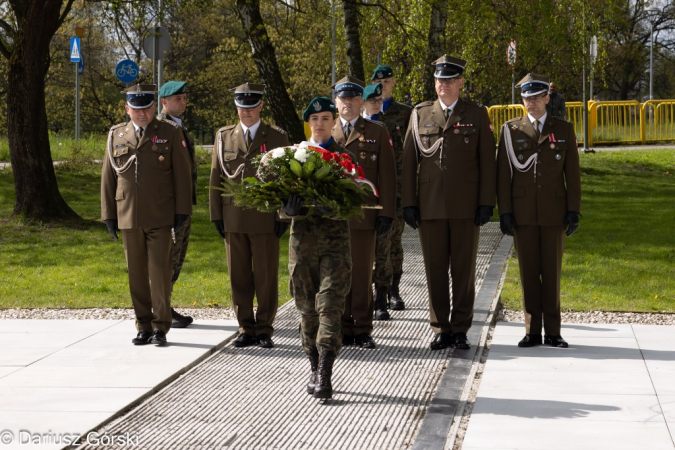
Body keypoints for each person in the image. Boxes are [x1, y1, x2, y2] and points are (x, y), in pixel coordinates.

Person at [401, 55, 496, 351]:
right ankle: (440, 327)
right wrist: (409, 203)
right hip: (430, 206)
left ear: (460, 83)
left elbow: (487, 163)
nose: (445, 85)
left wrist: (485, 202)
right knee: (435, 269)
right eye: (440, 80)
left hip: (466, 207)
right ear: (435, 83)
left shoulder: (476, 113)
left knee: (464, 271)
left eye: (451, 80)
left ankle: (460, 329)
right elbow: (408, 161)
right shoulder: (420, 114)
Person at [101, 84, 193, 346]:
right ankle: (143, 325)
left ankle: (161, 326)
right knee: (136, 274)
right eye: (136, 109)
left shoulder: (170, 132)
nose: (142, 113)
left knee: (160, 273)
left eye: (147, 108)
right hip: (128, 214)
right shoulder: (116, 134)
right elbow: (108, 177)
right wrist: (109, 214)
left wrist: (182, 211)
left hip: (161, 214)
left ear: (154, 107)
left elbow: (182, 175)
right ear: (127, 109)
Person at [497, 73, 581, 348]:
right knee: (529, 272)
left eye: (535, 97)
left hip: (554, 211)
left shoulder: (564, 129)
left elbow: (573, 175)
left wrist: (573, 210)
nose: (530, 103)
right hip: (522, 213)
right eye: (526, 98)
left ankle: (554, 332)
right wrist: (505, 211)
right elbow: (503, 174)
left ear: (547, 97)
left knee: (552, 271)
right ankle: (532, 331)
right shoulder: (511, 130)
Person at [208, 82, 290, 349]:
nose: (247, 112)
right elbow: (215, 178)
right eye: (242, 107)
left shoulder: (277, 137)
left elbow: (286, 179)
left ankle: (264, 327)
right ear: (236, 107)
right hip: (233, 217)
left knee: (266, 276)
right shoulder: (223, 137)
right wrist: (216, 215)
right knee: (238, 276)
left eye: (252, 106)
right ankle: (245, 326)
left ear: (261, 106)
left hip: (266, 217)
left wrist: (283, 217)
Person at [285, 96, 354, 400]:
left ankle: (325, 373)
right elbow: (276, 201)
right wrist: (287, 210)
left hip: (335, 243)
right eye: (314, 120)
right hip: (302, 244)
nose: (320, 124)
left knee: (329, 305)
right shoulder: (292, 157)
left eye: (326, 118)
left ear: (334, 121)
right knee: (306, 309)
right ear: (308, 123)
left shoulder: (345, 158)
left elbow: (357, 203)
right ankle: (313, 367)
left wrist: (336, 207)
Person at [331, 75, 396, 349]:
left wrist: (387, 214)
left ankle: (361, 327)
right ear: (336, 102)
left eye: (353, 98)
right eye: (343, 98)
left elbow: (388, 176)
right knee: (336, 273)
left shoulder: (377, 131)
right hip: (332, 218)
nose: (348, 102)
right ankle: (340, 326)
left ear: (361, 101)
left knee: (361, 273)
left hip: (364, 216)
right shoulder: (325, 130)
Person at [370, 65, 413, 312]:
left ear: (393, 82)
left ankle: (393, 290)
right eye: (379, 81)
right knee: (377, 243)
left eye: (387, 80)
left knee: (394, 241)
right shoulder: (368, 114)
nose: (383, 84)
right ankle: (378, 292)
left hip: (397, 187)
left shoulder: (406, 113)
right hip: (373, 188)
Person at [158, 80, 197, 329]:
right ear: (164, 102)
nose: (182, 102)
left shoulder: (179, 126)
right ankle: (160, 309)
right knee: (167, 259)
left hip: (184, 205)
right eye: (177, 99)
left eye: (183, 98)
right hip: (170, 206)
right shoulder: (162, 128)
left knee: (177, 258)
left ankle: (164, 306)